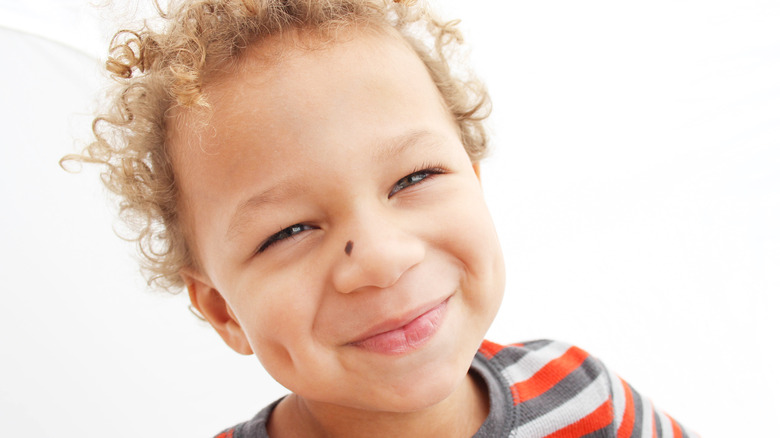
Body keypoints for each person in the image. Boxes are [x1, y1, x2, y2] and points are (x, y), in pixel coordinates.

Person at [64, 0, 698, 436]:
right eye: (289, 230)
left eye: (414, 178)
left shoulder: (586, 400)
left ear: (474, 182)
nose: (382, 257)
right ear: (224, 310)